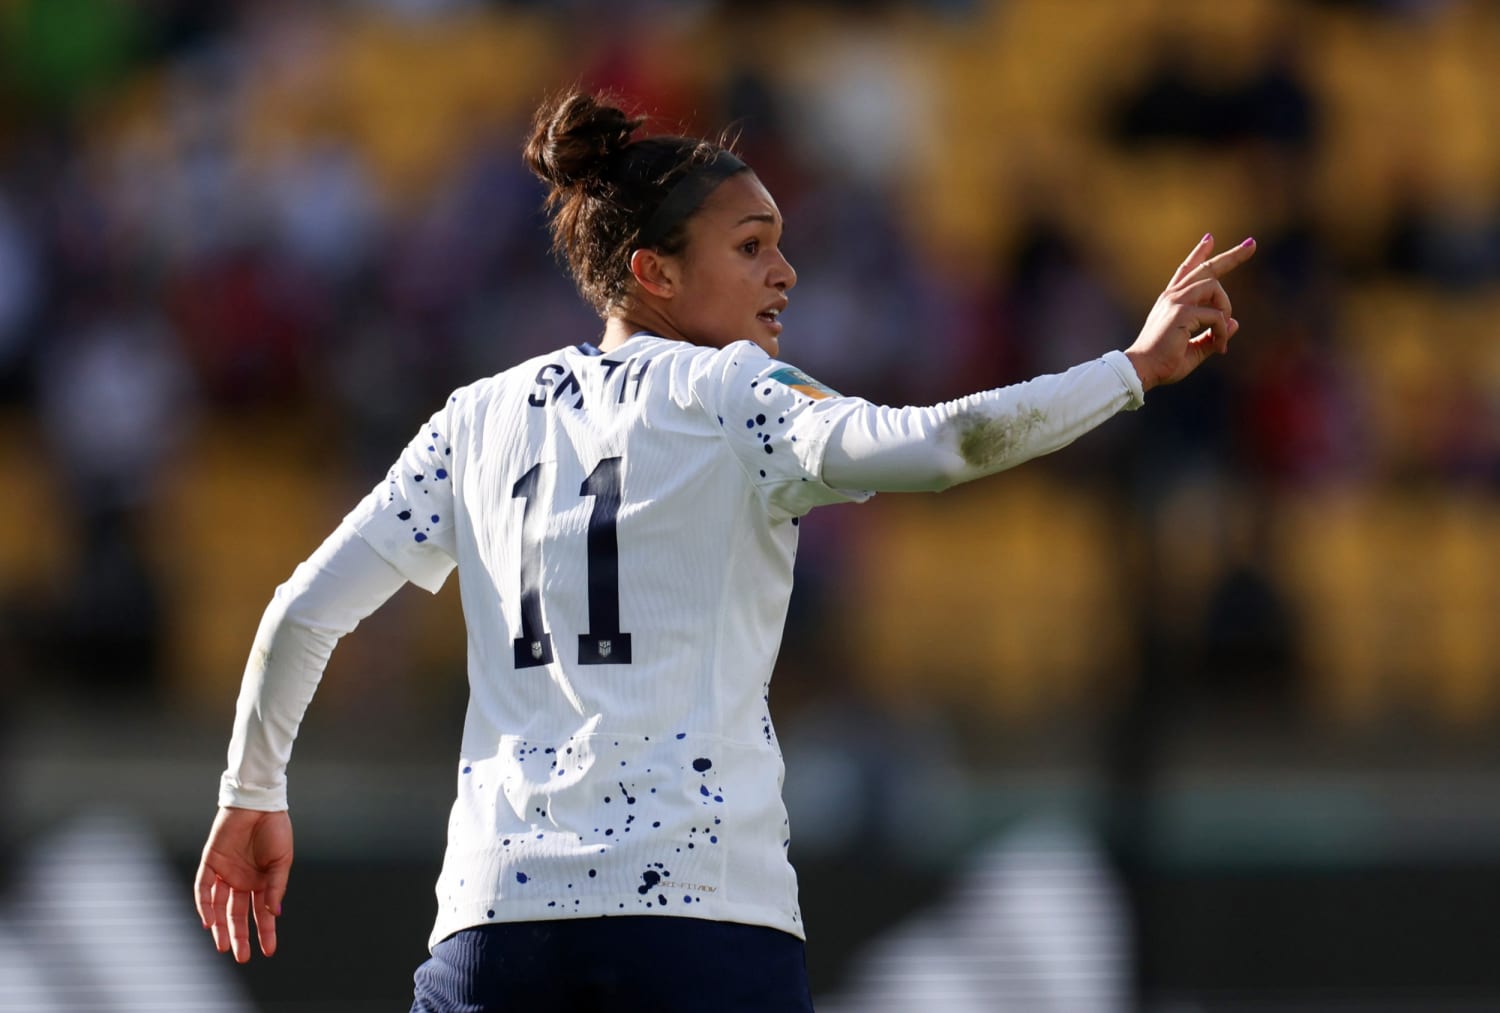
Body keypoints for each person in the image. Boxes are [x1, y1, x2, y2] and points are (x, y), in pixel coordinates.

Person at [194, 90, 1256, 1011]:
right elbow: (947, 442)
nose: (786, 273)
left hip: (496, 921)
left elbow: (303, 610)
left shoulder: (476, 418)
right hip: (697, 918)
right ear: (654, 273)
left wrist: (252, 789)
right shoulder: (731, 393)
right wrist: (1129, 367)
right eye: (751, 245)